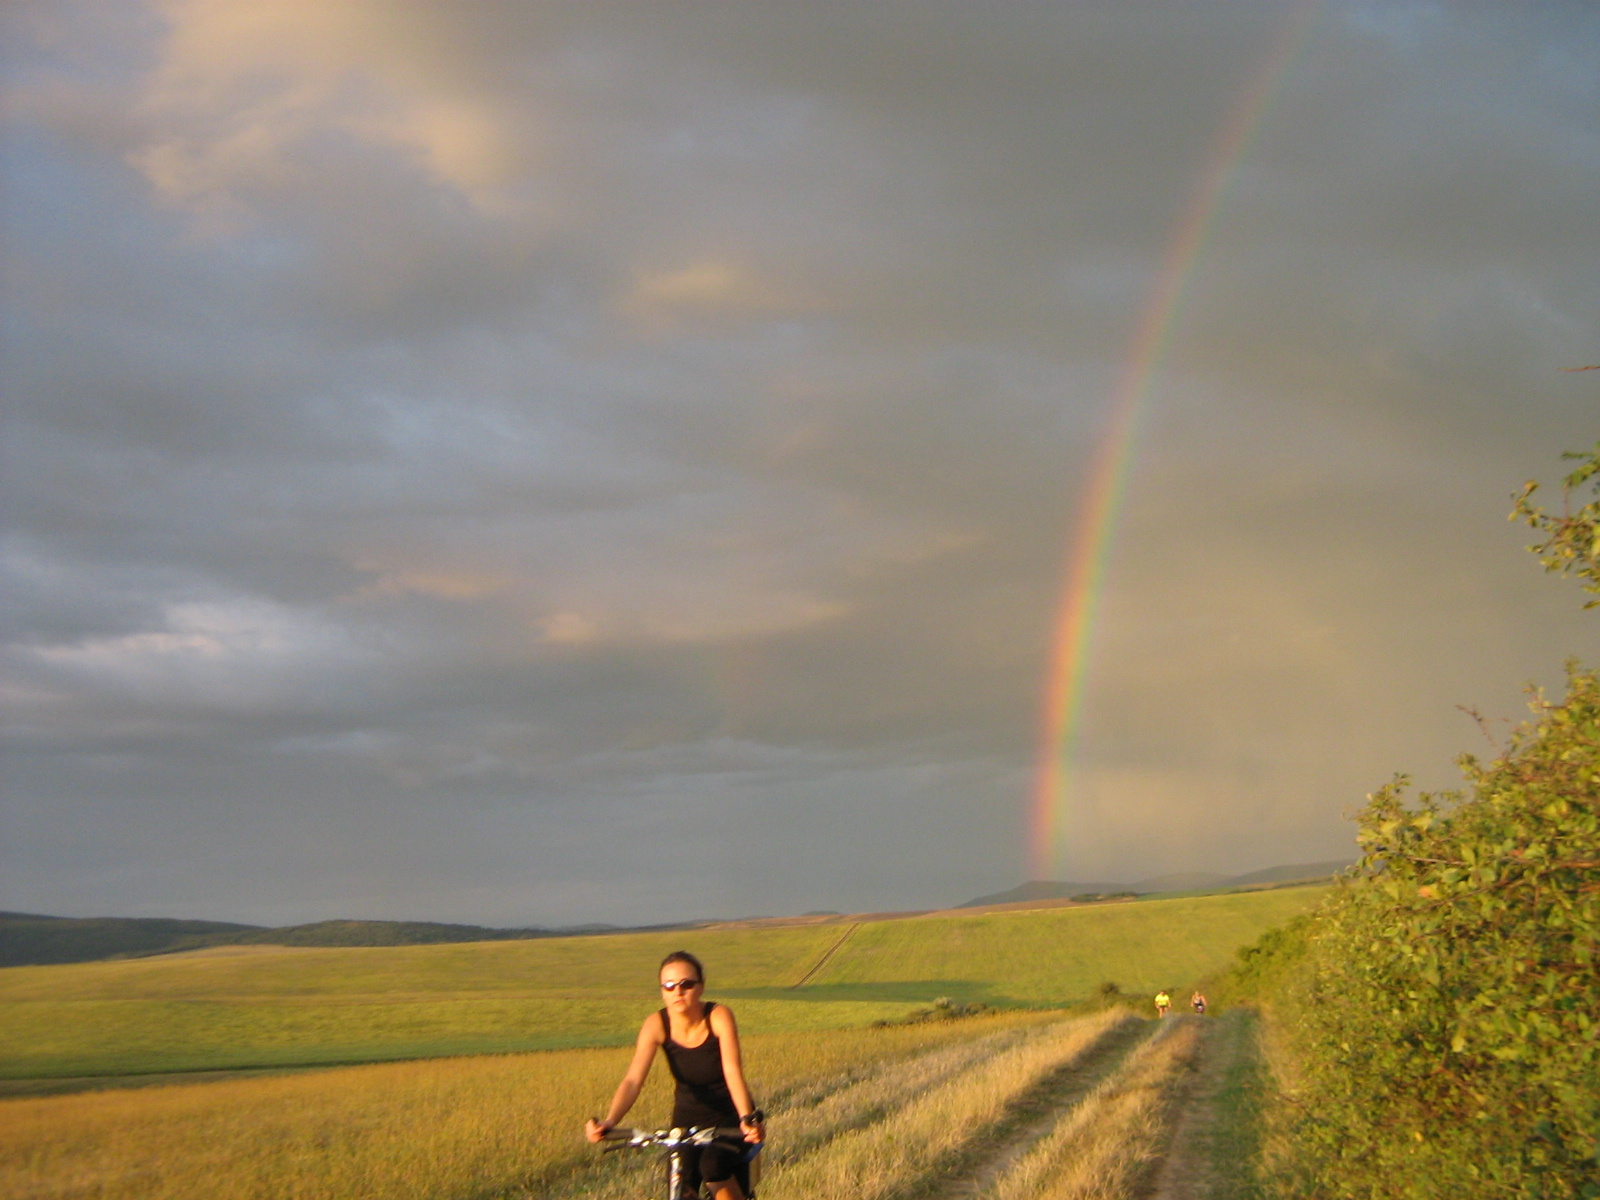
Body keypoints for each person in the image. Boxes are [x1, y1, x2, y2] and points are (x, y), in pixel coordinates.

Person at [586, 951, 765, 1200]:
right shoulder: (656, 1024)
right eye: (668, 986)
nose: (677, 992)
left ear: (701, 987)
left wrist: (748, 1118)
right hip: (686, 1119)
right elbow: (633, 1080)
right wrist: (610, 1121)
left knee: (712, 1168)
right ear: (662, 991)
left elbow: (732, 1072)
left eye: (686, 984)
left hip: (728, 1117)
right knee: (678, 1181)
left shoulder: (718, 1016)